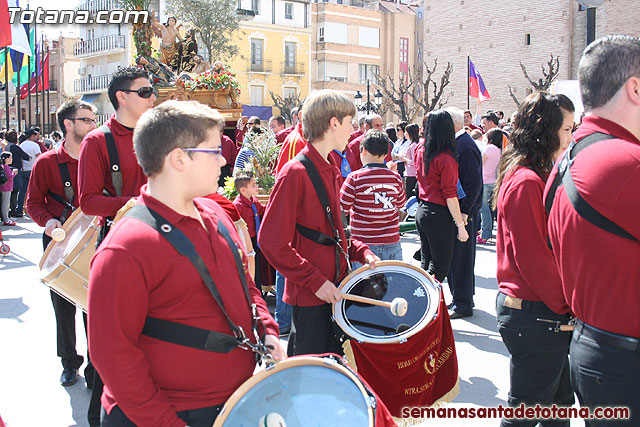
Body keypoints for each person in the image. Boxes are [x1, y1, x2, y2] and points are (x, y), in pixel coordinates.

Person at [88, 100, 285, 426]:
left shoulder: (215, 214)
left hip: (232, 404)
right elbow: (114, 357)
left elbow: (244, 284)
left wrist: (268, 330)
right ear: (178, 158)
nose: (224, 159)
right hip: (165, 416)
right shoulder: (126, 247)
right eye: (213, 151)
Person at [544, 35, 640, 425]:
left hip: (596, 348)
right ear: (634, 87)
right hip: (625, 361)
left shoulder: (570, 159)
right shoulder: (624, 163)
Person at [259, 89, 378, 356]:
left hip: (335, 290)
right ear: (333, 123)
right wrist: (314, 281)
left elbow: (334, 230)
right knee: (310, 380)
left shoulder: (331, 167)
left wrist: (361, 251)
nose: (353, 130)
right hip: (312, 298)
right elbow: (271, 241)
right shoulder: (295, 173)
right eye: (350, 122)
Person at [77, 66, 154, 427]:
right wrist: (135, 204)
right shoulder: (98, 141)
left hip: (162, 248)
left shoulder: (158, 134)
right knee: (113, 345)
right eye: (145, 91)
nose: (153, 96)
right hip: (120, 250)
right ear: (122, 97)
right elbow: (89, 200)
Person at [494, 91, 575, 427]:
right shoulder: (526, 180)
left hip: (541, 311)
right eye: (568, 128)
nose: (573, 136)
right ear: (547, 130)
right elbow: (534, 259)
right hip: (537, 313)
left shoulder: (534, 172)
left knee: (556, 408)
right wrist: (569, 304)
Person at [25, 100, 98, 388]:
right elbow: (33, 202)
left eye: (94, 120)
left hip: (95, 240)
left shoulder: (99, 158)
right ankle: (69, 363)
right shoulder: (45, 162)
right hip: (59, 241)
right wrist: (48, 222)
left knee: (95, 306)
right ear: (69, 124)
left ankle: (96, 365)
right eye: (87, 120)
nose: (94, 124)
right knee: (63, 304)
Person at [415, 110, 469, 282]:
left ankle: (425, 303)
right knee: (439, 269)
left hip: (423, 209)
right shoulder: (445, 158)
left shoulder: (420, 149)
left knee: (427, 263)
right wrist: (460, 226)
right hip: (438, 213)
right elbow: (450, 194)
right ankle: (429, 304)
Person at [340, 130, 406, 267]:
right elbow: (401, 203)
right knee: (393, 286)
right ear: (387, 153)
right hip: (392, 241)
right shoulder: (395, 177)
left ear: (363, 150)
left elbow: (341, 208)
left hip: (364, 246)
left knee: (365, 288)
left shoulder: (355, 178)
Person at [444, 107, 483, 319]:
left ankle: (463, 303)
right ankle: (461, 297)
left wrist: (465, 212)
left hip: (464, 213)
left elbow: (473, 185)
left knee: (462, 260)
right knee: (457, 259)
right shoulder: (460, 144)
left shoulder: (465, 146)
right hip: (460, 212)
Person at [232, 171, 266, 291]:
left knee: (257, 270)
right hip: (245, 243)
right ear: (243, 190)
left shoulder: (253, 201)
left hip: (255, 241)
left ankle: (258, 293)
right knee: (249, 270)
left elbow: (262, 210)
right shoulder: (237, 205)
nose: (257, 187)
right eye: (253, 185)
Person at [478, 128, 502, 243]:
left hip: (484, 180)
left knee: (484, 209)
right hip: (493, 180)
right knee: (490, 208)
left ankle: (485, 233)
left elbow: (480, 163)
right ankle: (487, 231)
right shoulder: (498, 150)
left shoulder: (488, 148)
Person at [15, 128, 42, 217]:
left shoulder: (21, 145)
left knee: (22, 191)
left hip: (24, 169)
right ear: (32, 136)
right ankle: (33, 209)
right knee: (35, 190)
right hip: (33, 169)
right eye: (34, 135)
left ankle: (20, 209)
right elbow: (39, 157)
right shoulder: (34, 145)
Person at [4, 130, 28, 217]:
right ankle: (13, 209)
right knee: (15, 190)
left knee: (10, 191)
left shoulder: (6, 146)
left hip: (6, 169)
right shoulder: (14, 147)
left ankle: (10, 210)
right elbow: (25, 156)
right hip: (15, 170)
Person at [403, 123, 420, 198]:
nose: (404, 134)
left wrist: (404, 159)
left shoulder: (414, 145)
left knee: (410, 196)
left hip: (412, 175)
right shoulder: (411, 144)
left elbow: (414, 161)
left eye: (406, 132)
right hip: (409, 173)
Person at [1, 152, 17, 226]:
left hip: (6, 188)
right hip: (6, 188)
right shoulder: (5, 167)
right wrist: (14, 173)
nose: (12, 159)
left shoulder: (4, 166)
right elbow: (9, 177)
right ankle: (6, 219)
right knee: (5, 204)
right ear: (7, 159)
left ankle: (7, 217)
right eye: (11, 158)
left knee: (6, 204)